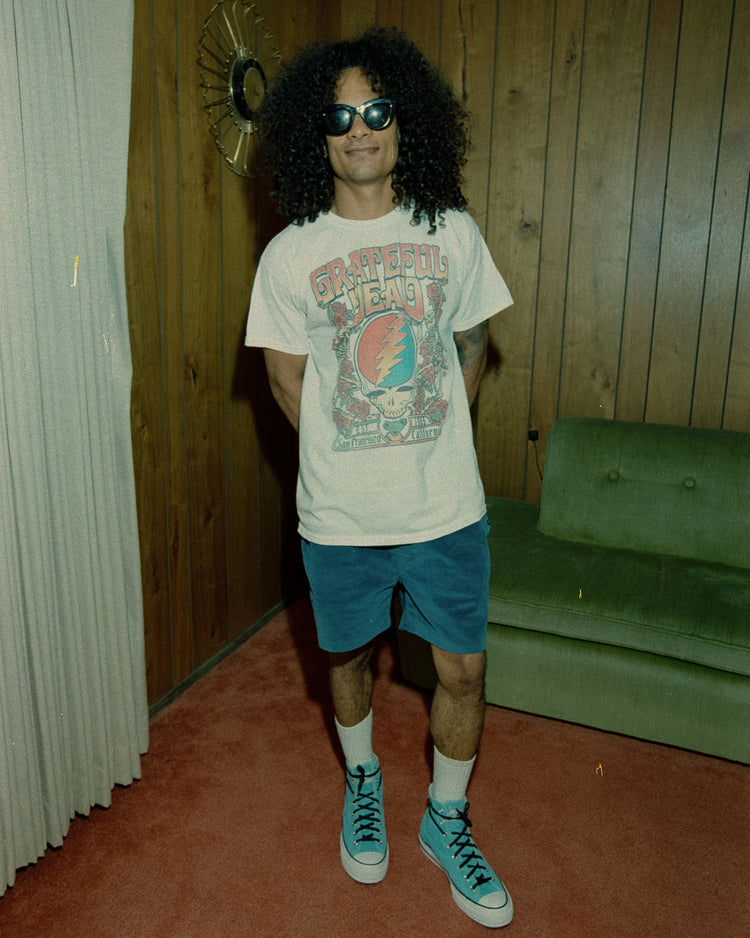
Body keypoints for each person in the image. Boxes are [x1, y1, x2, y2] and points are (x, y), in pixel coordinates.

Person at [245, 26, 514, 929]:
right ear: (315, 133)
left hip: (446, 506)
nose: (359, 130)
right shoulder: (290, 255)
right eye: (340, 116)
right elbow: (286, 382)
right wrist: (348, 451)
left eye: (377, 110)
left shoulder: (453, 233)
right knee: (348, 657)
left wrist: (425, 437)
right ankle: (363, 778)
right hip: (340, 514)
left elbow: (472, 347)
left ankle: (446, 817)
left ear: (406, 122)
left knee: (464, 669)